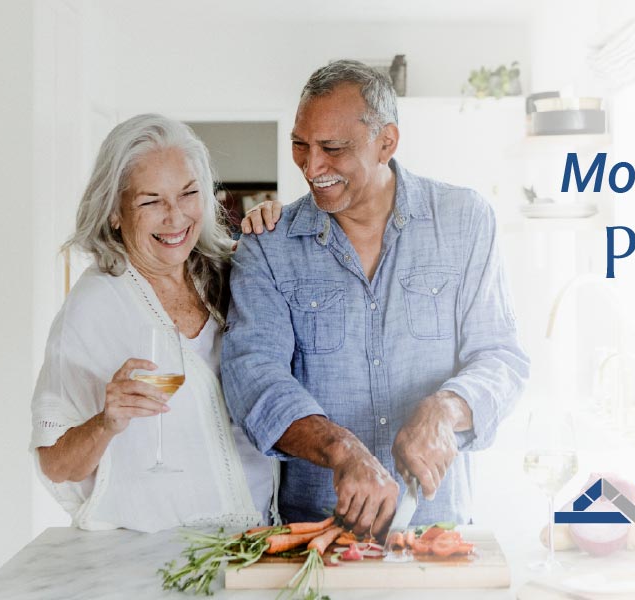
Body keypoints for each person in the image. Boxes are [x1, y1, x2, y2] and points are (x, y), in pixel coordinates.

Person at [222, 60, 529, 536]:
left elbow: (501, 357)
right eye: (300, 146)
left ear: (386, 142)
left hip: (438, 531)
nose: (311, 167)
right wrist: (341, 449)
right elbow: (254, 379)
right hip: (318, 536)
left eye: (333, 148)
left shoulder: (465, 220)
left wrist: (445, 409)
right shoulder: (268, 244)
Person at [30, 114, 283, 532]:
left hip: (259, 539)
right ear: (115, 212)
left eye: (188, 194)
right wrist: (105, 422)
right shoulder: (94, 307)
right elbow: (56, 464)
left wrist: (276, 229)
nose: (175, 217)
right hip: (160, 557)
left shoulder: (230, 273)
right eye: (151, 201)